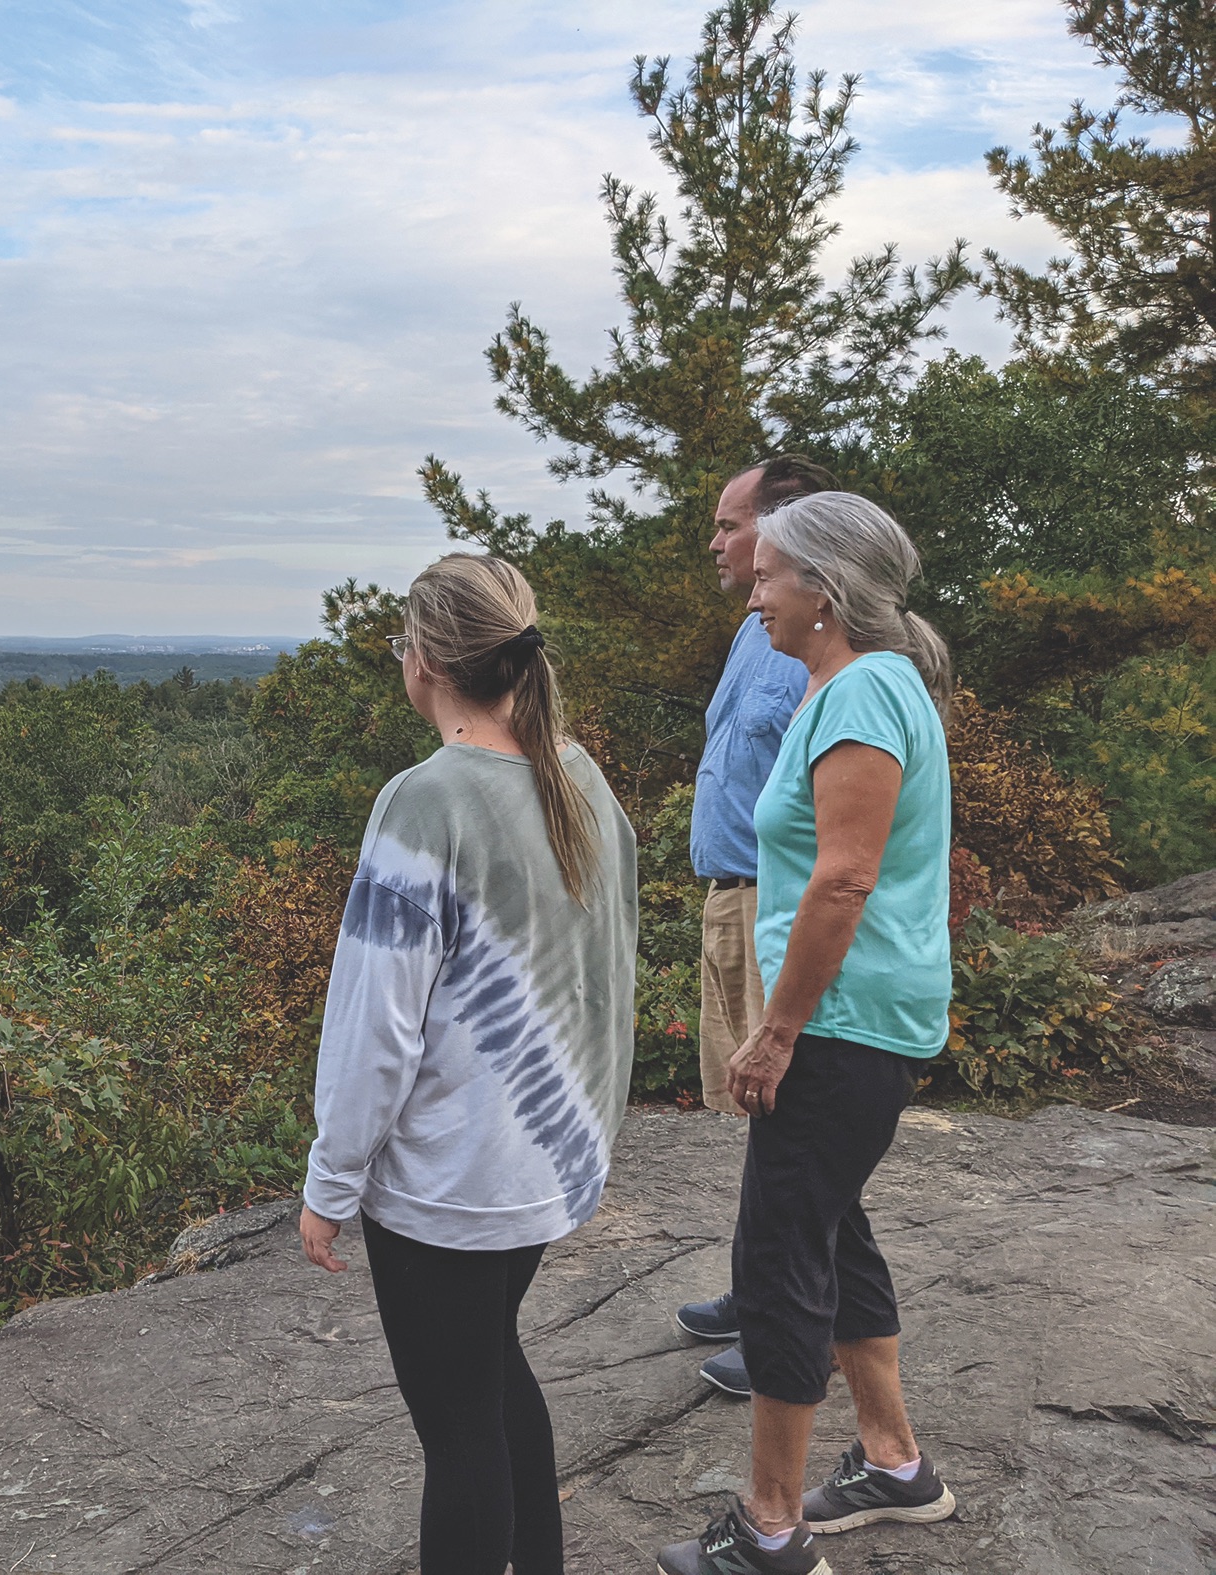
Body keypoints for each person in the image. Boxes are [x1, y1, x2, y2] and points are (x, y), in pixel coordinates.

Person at [296, 553, 637, 1575]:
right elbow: (611, 964)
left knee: (457, 1430)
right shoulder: (577, 774)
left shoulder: (425, 802)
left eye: (404, 645)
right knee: (489, 1376)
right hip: (545, 1163)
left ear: (430, 662)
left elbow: (375, 1025)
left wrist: (332, 1179)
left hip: (451, 1179)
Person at [657, 493, 959, 1575]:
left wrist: (775, 1033)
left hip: (842, 1026)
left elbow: (843, 877)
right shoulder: (862, 684)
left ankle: (771, 1532)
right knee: (832, 1232)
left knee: (781, 1257)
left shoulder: (865, 692)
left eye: (770, 575)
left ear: (823, 593)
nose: (754, 592)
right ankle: (894, 1464)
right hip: (860, 1021)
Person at [674, 456, 835, 1401]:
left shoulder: (819, 649)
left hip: (779, 899)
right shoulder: (753, 632)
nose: (718, 540)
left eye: (730, 523)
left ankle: (789, 1324)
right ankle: (755, 1289)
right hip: (730, 895)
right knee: (754, 1116)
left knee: (792, 1115)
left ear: (784, 530)